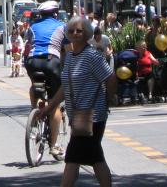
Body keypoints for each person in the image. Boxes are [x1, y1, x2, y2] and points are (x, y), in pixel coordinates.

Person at [41, 17, 116, 187]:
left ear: (87, 33)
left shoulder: (92, 56)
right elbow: (64, 87)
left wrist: (108, 99)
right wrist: (49, 107)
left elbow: (110, 78)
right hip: (79, 117)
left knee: (76, 158)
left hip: (92, 117)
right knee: (91, 158)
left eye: (80, 30)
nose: (75, 33)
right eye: (72, 30)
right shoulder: (70, 57)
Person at [24, 0, 66, 158]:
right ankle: (54, 145)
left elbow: (29, 44)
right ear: (56, 13)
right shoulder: (62, 26)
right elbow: (67, 49)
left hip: (32, 62)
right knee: (55, 104)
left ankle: (34, 113)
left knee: (34, 85)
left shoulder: (32, 27)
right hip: (51, 62)